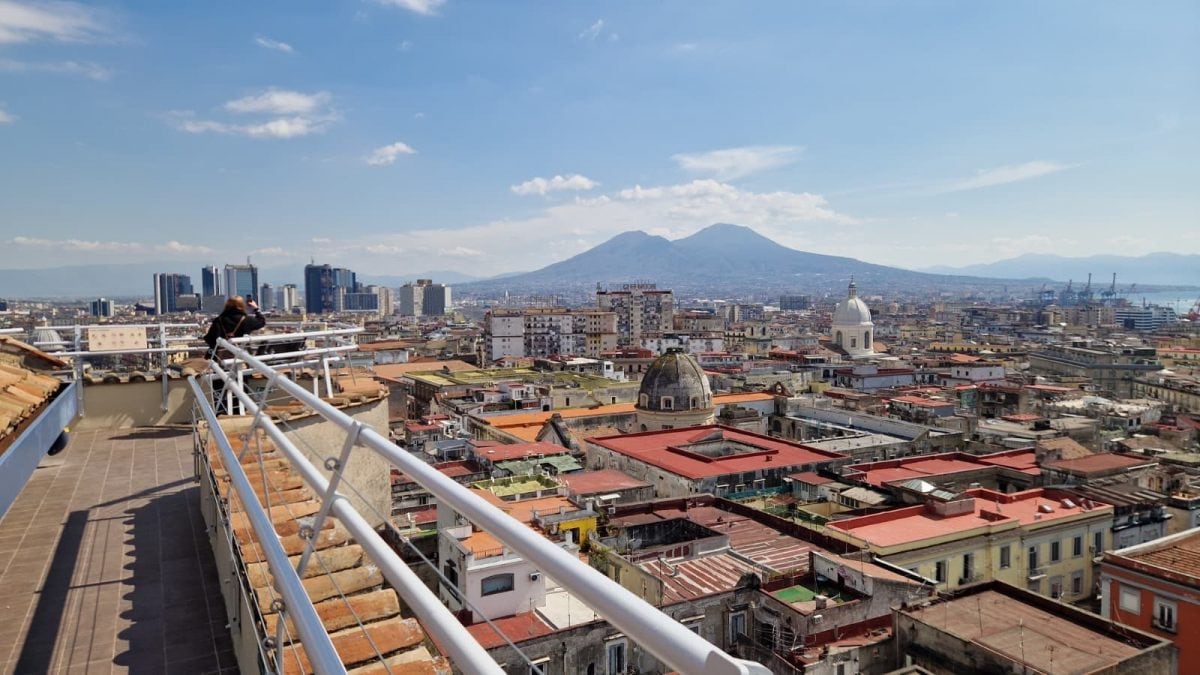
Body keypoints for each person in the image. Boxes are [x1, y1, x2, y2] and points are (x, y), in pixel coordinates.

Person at [203, 295, 266, 414]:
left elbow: (210, 339)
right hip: (240, 359)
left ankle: (221, 413)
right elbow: (261, 322)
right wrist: (256, 309)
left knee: (219, 387)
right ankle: (239, 411)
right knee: (241, 385)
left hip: (220, 360)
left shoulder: (219, 320)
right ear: (241, 306)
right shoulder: (246, 320)